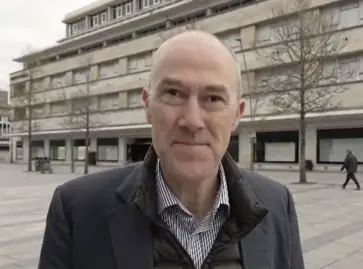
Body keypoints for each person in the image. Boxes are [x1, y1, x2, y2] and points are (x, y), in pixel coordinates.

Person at [37, 31, 304, 269]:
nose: (192, 121)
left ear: (237, 114)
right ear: (146, 105)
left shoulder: (278, 204)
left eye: (213, 98)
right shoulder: (77, 210)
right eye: (174, 94)